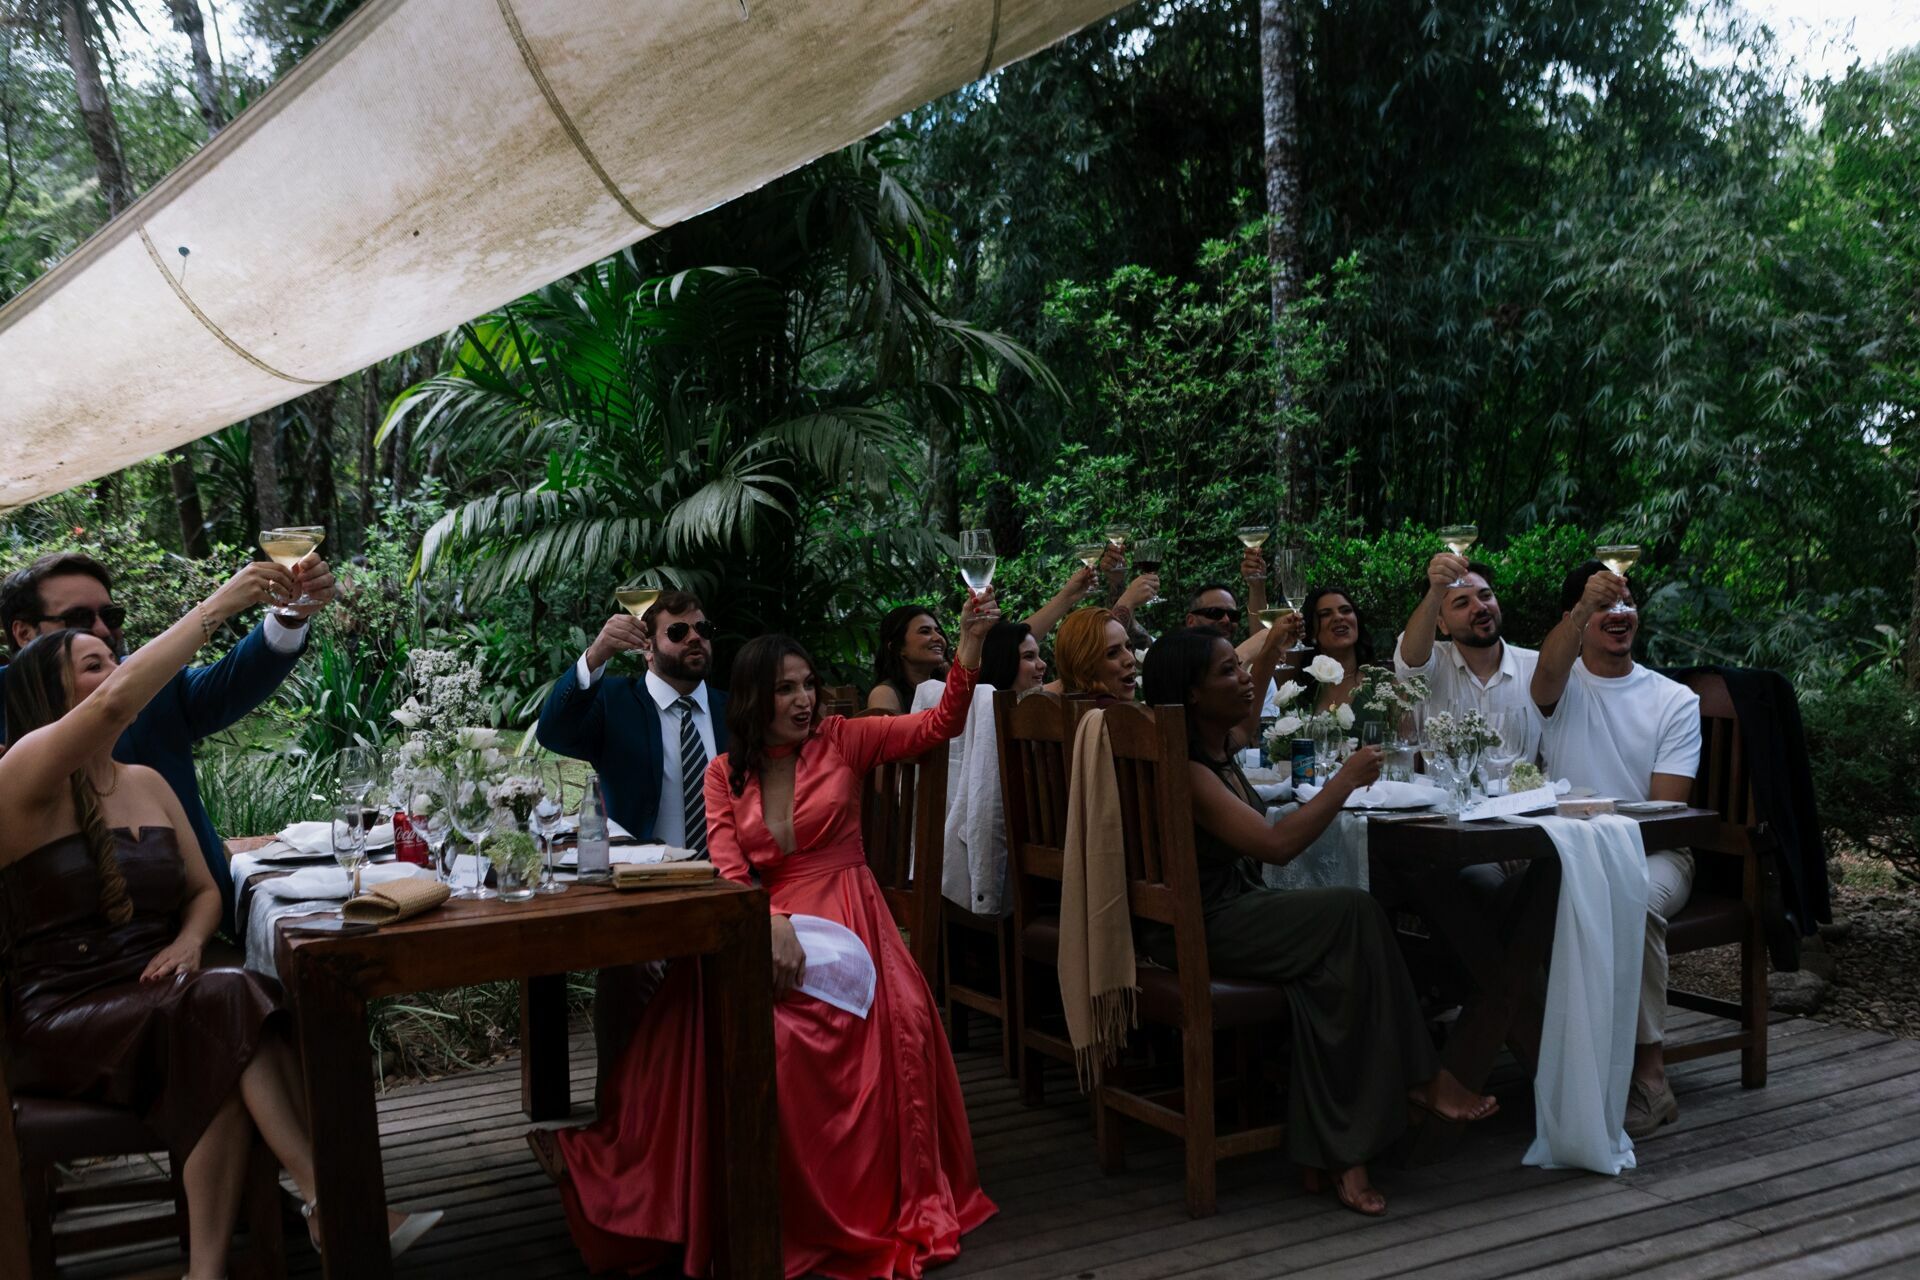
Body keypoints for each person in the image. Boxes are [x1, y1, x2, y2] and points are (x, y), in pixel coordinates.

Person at [531, 591, 1004, 1279]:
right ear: (755, 699)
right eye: (786, 689)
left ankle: (802, 1213)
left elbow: (939, 725)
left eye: (808, 684)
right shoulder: (725, 772)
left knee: (783, 1034)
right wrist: (770, 920)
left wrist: (966, 649)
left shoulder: (844, 739)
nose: (804, 699)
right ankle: (667, 1194)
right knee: (681, 1021)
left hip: (848, 915)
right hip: (763, 915)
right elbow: (728, 864)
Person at [0, 564, 437, 1279]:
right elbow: (112, 706)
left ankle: (210, 1269)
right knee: (227, 1010)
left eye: (117, 651)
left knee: (223, 1028)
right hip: (63, 1010)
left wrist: (189, 940)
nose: (117, 666)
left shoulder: (144, 783)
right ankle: (327, 1199)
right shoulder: (19, 773)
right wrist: (222, 603)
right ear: (47, 687)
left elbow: (204, 892)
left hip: (157, 987)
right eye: (93, 658)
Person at [1140, 628, 1498, 1216]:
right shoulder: (1191, 771)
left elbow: (1249, 726)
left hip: (1226, 909)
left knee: (1330, 977)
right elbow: (1276, 847)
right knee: (1354, 909)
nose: (1244, 677)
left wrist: (1271, 649)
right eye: (1228, 672)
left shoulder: (1214, 745)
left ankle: (1343, 1151)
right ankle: (1421, 1079)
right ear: (1192, 694)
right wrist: (1345, 781)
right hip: (1204, 924)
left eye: (1240, 666)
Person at [0, 550, 337, 921]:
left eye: (110, 616)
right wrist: (217, 605)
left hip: (195, 933)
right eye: (78, 618)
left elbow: (231, 684)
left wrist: (290, 616)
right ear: (24, 633)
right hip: (58, 961)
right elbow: (110, 704)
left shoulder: (151, 686)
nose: (100, 630)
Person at [1531, 560, 1701, 1141]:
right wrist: (1582, 609)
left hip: (1656, 853)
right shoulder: (1556, 684)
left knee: (1631, 897)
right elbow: (1546, 678)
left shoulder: (1673, 700)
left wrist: (1603, 842)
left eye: (1626, 604)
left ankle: (1651, 1080)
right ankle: (1546, 1056)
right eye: (1603, 605)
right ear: (1575, 618)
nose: (1618, 615)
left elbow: (1667, 811)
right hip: (1566, 853)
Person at [535, 590, 728, 851]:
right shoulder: (614, 703)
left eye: (703, 629)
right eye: (678, 631)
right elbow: (553, 733)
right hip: (641, 879)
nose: (694, 637)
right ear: (646, 647)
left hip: (727, 879)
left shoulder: (735, 709)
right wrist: (595, 656)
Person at [912, 619, 1047, 915]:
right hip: (1013, 872)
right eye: (1029, 657)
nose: (1042, 665)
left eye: (1038, 655)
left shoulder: (1024, 711)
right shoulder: (988, 709)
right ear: (1003, 660)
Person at [870, 559, 1110, 714]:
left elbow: (1011, 642)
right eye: (924, 631)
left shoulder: (951, 676)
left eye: (937, 630)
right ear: (896, 647)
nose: (937, 637)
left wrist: (1068, 596)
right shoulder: (886, 694)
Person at [1394, 554, 1542, 764]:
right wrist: (1436, 590)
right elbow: (1411, 663)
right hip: (1446, 797)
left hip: (1521, 796)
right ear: (1442, 624)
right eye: (1462, 603)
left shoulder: (1537, 667)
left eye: (1486, 595)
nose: (1480, 607)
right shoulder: (1433, 662)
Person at [1281, 585, 1374, 708]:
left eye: (1346, 610)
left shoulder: (1383, 685)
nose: (1338, 617)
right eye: (1325, 614)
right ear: (1312, 631)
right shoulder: (1298, 688)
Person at [1049, 607, 1138, 702]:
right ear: (1084, 667)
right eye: (1112, 653)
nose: (1131, 659)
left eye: (1128, 646)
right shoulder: (1109, 713)